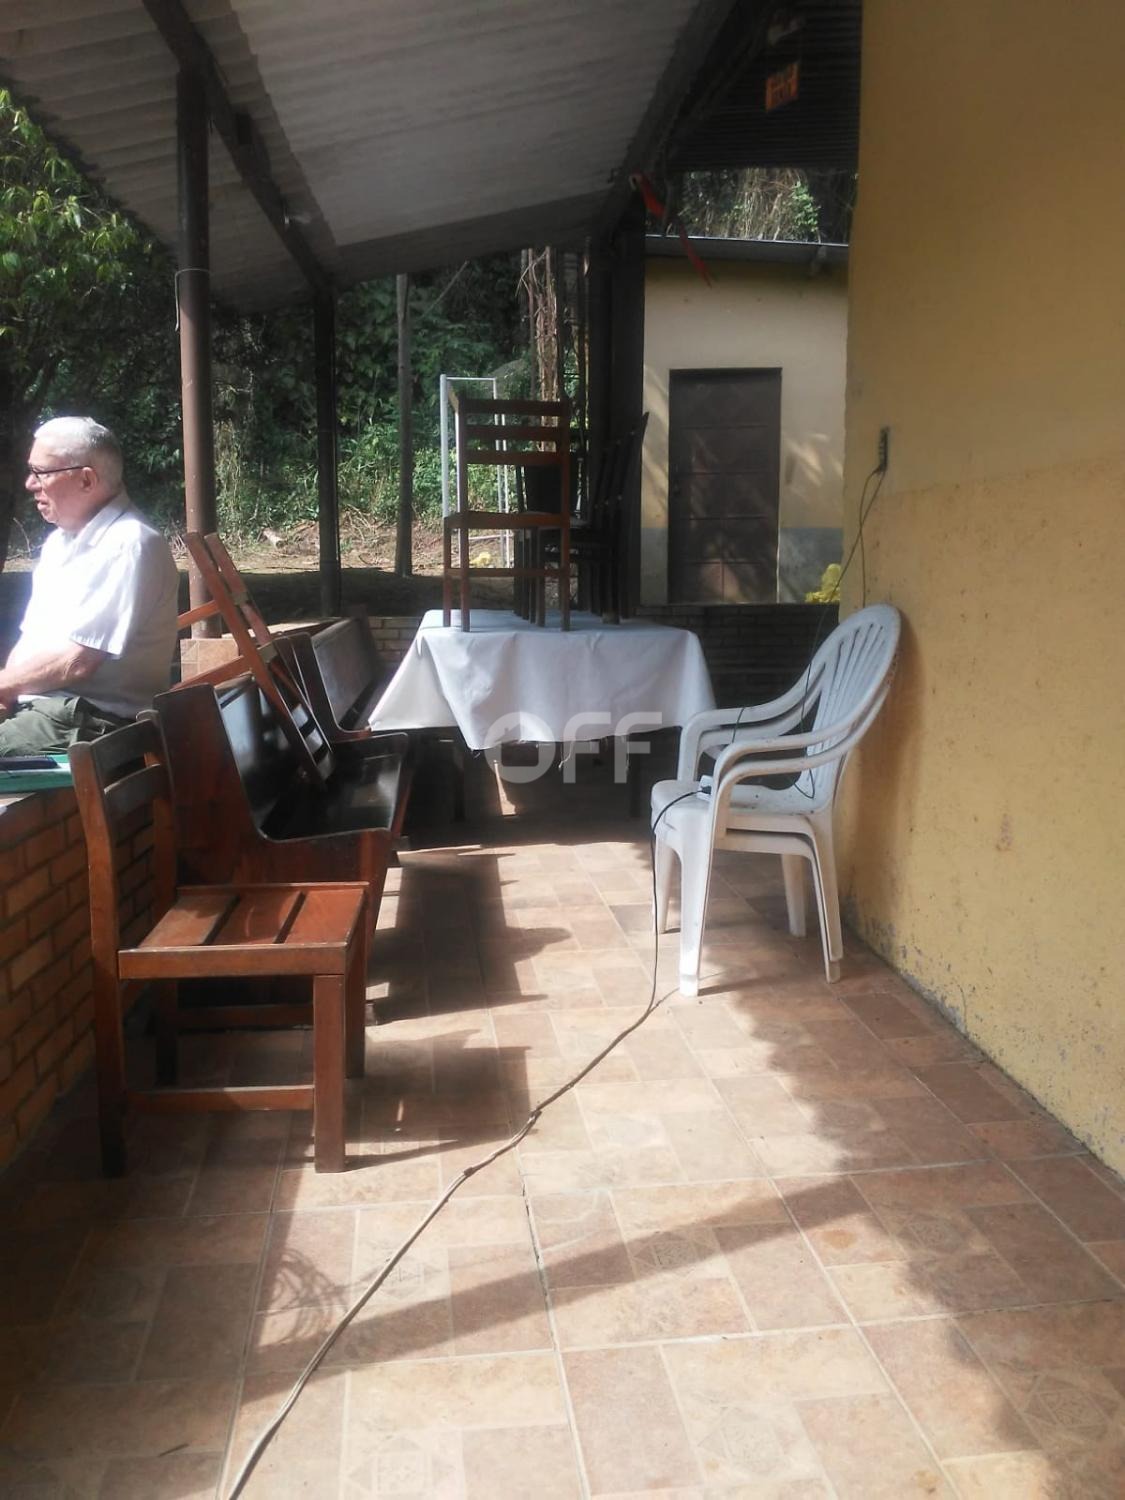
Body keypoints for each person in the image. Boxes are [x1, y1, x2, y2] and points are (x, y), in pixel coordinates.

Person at [0, 417, 179, 755]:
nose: (29, 483)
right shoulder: (60, 542)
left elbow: (77, 662)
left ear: (86, 479)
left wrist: (5, 684)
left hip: (87, 720)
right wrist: (8, 691)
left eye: (41, 472)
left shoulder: (129, 544)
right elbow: (33, 640)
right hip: (46, 711)